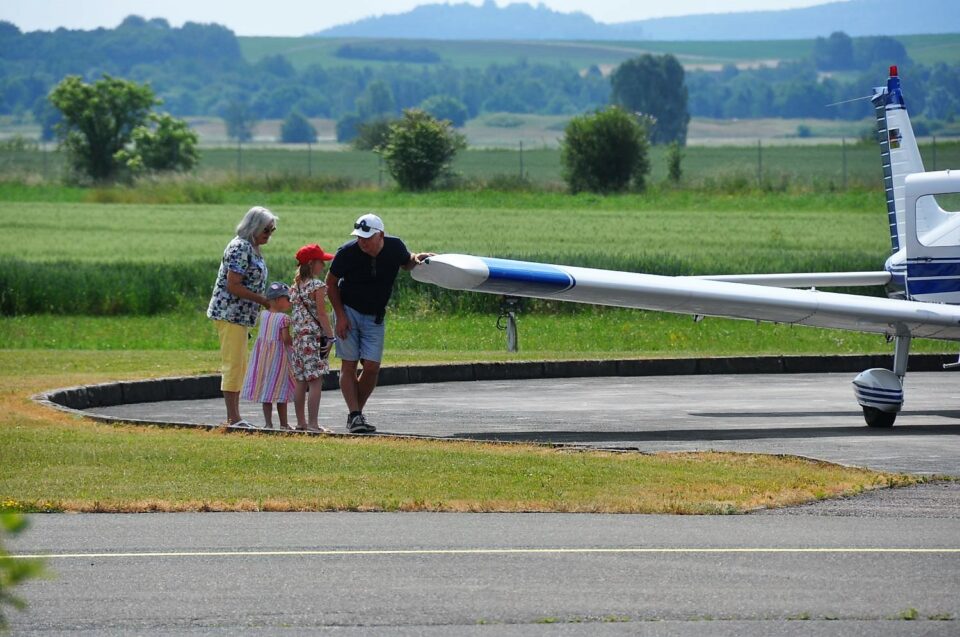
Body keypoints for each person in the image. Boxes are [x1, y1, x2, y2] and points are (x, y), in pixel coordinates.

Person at [326, 213, 433, 433]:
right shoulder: (346, 252)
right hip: (348, 310)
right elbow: (331, 283)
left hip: (375, 315)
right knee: (349, 364)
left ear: (380, 235)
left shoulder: (395, 247)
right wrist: (341, 316)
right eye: (359, 237)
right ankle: (356, 416)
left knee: (372, 367)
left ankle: (355, 414)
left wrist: (417, 258)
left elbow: (406, 263)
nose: (362, 242)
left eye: (367, 237)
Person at [207, 206, 278, 428]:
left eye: (272, 230)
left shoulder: (253, 247)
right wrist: (263, 301)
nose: (269, 234)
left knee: (240, 364)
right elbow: (233, 285)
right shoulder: (240, 247)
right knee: (234, 364)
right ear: (254, 227)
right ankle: (233, 418)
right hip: (231, 314)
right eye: (266, 229)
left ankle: (236, 416)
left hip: (242, 316)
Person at [290, 243, 337, 433]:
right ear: (311, 264)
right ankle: (313, 424)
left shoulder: (295, 287)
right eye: (320, 262)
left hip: (298, 339)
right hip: (313, 339)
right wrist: (331, 337)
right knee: (315, 381)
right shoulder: (317, 285)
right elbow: (322, 314)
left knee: (300, 381)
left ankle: (301, 422)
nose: (323, 266)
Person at [240, 282, 297, 429]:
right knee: (280, 391)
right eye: (287, 299)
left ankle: (268, 423)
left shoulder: (264, 315)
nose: (290, 302)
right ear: (278, 300)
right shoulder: (283, 318)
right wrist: (295, 342)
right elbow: (285, 339)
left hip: (263, 359)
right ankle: (284, 424)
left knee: (266, 392)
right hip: (278, 359)